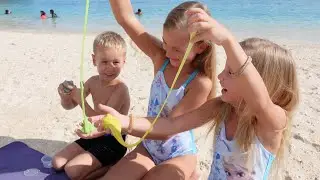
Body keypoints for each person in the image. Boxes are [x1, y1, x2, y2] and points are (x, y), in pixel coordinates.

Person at [80, 7, 299, 180]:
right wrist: (123, 121)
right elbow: (170, 125)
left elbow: (259, 100)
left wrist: (227, 40)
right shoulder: (221, 106)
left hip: (177, 156)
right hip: (152, 147)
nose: (220, 77)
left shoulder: (272, 122)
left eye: (231, 72)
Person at [78, 0, 216, 179]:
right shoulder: (161, 57)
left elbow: (167, 130)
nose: (168, 52)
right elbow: (126, 17)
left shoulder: (200, 83)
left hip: (177, 154)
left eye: (177, 49)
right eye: (165, 43)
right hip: (149, 147)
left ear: (200, 46)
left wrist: (122, 123)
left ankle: (191, 174)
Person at [52, 31, 131, 180]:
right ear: (94, 60)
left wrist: (80, 99)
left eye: (116, 62)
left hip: (113, 143)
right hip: (94, 136)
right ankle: (93, 160)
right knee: (57, 162)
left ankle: (111, 166)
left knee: (71, 171)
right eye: (104, 62)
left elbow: (102, 121)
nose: (110, 67)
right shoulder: (93, 81)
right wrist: (64, 96)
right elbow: (69, 106)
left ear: (124, 61)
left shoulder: (120, 89)